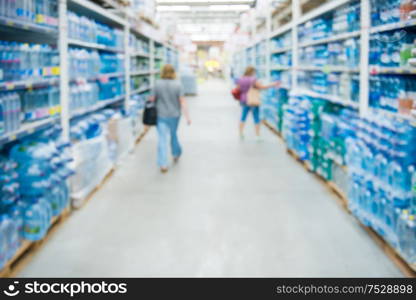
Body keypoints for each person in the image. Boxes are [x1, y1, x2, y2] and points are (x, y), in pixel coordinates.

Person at [150, 64, 191, 173]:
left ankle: (163, 164)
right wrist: (187, 117)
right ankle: (176, 153)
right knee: (173, 134)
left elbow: (152, 99)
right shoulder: (178, 85)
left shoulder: (157, 84)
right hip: (175, 115)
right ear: (173, 72)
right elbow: (182, 102)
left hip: (161, 115)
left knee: (162, 139)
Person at [236, 66, 279, 140]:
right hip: (253, 100)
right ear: (252, 72)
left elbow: (238, 88)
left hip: (244, 100)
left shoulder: (241, 79)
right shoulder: (253, 79)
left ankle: (241, 133)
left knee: (243, 117)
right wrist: (273, 84)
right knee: (256, 117)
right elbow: (262, 87)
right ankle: (257, 135)